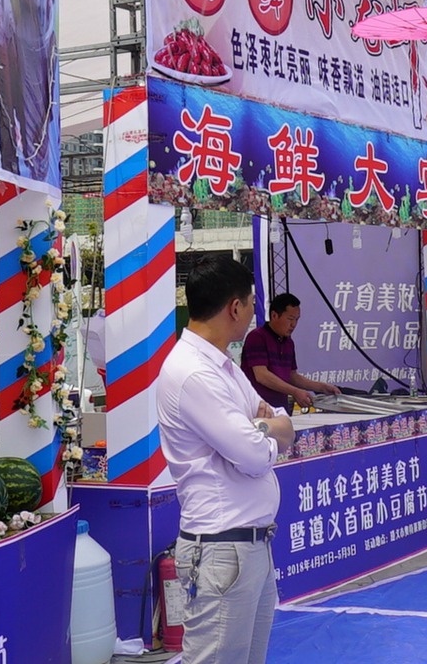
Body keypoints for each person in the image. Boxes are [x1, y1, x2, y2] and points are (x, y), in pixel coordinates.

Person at [158, 257, 293, 664]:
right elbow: (254, 454)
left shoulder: (223, 368)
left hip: (246, 546)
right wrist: (267, 433)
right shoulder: (194, 373)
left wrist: (265, 430)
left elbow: (275, 420)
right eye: (252, 303)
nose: (255, 312)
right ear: (235, 307)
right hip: (222, 550)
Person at [240, 293, 338, 413]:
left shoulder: (288, 343)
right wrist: (294, 391)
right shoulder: (257, 337)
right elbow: (262, 376)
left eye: (297, 320)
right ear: (274, 315)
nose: (293, 325)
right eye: (290, 319)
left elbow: (292, 376)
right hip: (258, 409)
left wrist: (322, 387)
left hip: (280, 410)